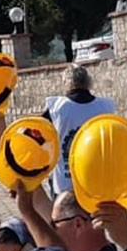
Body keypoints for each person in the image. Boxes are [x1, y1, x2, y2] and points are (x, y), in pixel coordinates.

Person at [39, 66, 118, 197]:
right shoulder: (106, 106)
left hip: (65, 180)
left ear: (66, 82)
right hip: (98, 178)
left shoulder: (57, 107)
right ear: (88, 82)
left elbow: (39, 133)